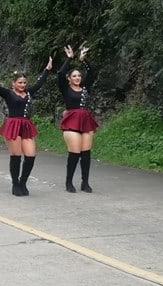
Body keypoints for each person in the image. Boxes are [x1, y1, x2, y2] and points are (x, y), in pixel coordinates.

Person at [0, 56, 52, 196]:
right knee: (16, 155)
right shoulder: (8, 94)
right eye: (20, 83)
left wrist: (47, 69)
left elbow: (39, 83)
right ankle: (15, 184)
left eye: (24, 83)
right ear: (13, 83)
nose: (23, 85)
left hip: (26, 125)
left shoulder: (28, 93)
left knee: (30, 155)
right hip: (13, 124)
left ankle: (23, 182)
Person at [58, 44, 99, 193]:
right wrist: (69, 58)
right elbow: (60, 73)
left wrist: (83, 60)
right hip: (72, 120)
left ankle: (85, 182)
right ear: (69, 78)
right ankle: (69, 182)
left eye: (79, 76)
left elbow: (92, 72)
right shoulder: (65, 88)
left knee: (86, 153)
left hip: (86, 121)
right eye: (74, 76)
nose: (77, 78)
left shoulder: (85, 87)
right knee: (74, 153)